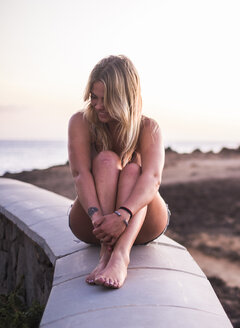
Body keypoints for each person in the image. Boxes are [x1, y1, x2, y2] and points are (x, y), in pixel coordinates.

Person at [68, 55, 170, 289]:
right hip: (94, 224)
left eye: (107, 99)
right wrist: (99, 221)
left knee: (134, 170)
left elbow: (153, 179)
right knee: (106, 159)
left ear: (124, 98)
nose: (98, 105)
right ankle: (105, 254)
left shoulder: (148, 128)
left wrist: (122, 215)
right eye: (94, 97)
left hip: (140, 221)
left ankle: (120, 256)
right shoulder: (81, 122)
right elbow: (80, 175)